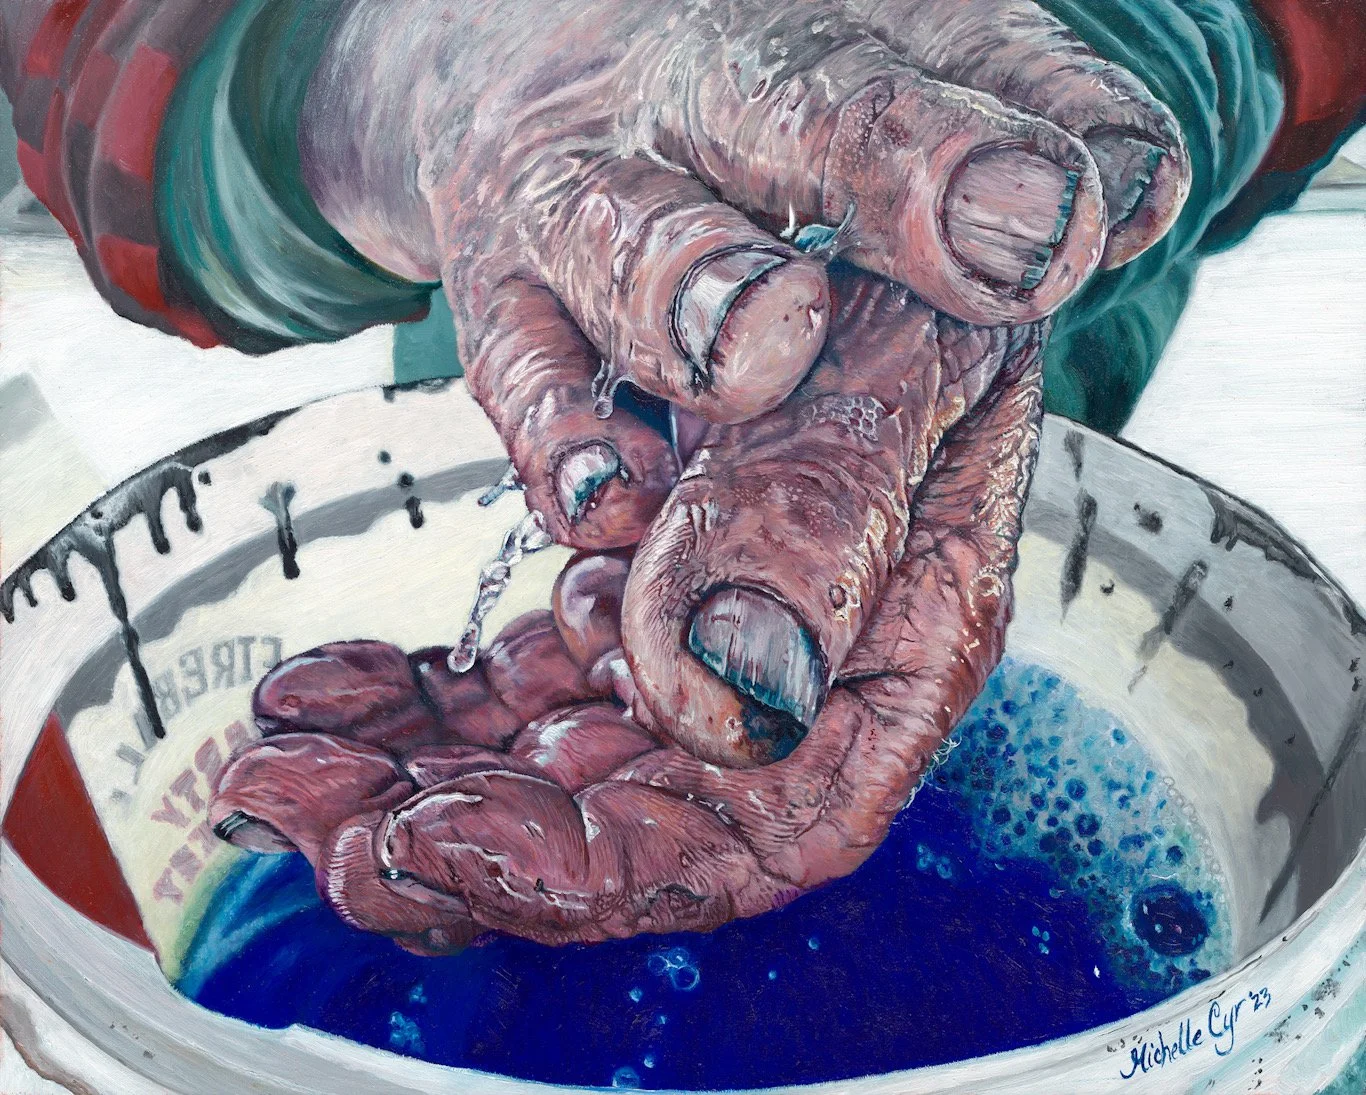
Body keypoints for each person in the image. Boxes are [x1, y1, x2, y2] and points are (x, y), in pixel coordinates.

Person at [3, 0, 1363, 948]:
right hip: (527, 374)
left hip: (1009, 451)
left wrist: (1089, 80)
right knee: (598, 514)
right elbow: (87, 54)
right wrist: (397, 76)